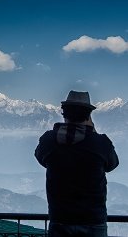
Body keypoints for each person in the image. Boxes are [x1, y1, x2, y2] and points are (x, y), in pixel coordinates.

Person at [35, 90, 119, 237]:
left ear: (64, 114)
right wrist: (93, 131)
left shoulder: (48, 140)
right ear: (88, 115)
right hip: (93, 221)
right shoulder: (100, 143)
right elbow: (112, 164)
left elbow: (41, 158)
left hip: (59, 219)